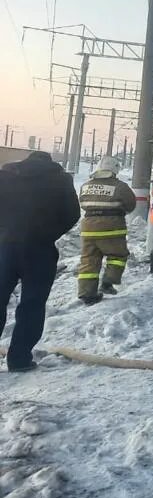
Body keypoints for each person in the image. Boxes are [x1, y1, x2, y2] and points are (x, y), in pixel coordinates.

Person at [0, 151, 80, 372]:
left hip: (5, 247)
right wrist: (49, 234)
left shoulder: (6, 176)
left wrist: (5, 230)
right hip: (40, 250)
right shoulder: (61, 179)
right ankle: (19, 359)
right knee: (32, 305)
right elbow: (73, 214)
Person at [77, 155, 136, 304]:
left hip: (88, 228)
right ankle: (107, 283)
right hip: (112, 228)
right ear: (114, 170)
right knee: (118, 256)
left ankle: (87, 294)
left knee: (89, 260)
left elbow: (82, 202)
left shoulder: (85, 185)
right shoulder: (120, 186)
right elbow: (131, 204)